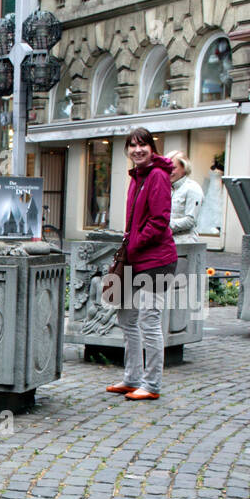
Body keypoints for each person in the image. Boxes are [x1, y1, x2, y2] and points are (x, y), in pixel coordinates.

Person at [105, 126, 177, 402]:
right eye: (132, 146)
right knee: (126, 319)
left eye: (142, 145)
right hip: (135, 259)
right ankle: (132, 378)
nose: (137, 150)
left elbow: (159, 222)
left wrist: (133, 244)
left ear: (152, 148)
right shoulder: (137, 177)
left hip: (156, 260)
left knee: (149, 320)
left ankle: (151, 384)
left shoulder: (157, 176)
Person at [167, 151, 203, 236]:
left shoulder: (192, 188)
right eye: (166, 168)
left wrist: (163, 226)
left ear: (184, 168)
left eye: (173, 168)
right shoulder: (167, 188)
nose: (169, 172)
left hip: (185, 243)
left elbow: (190, 220)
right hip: (167, 242)